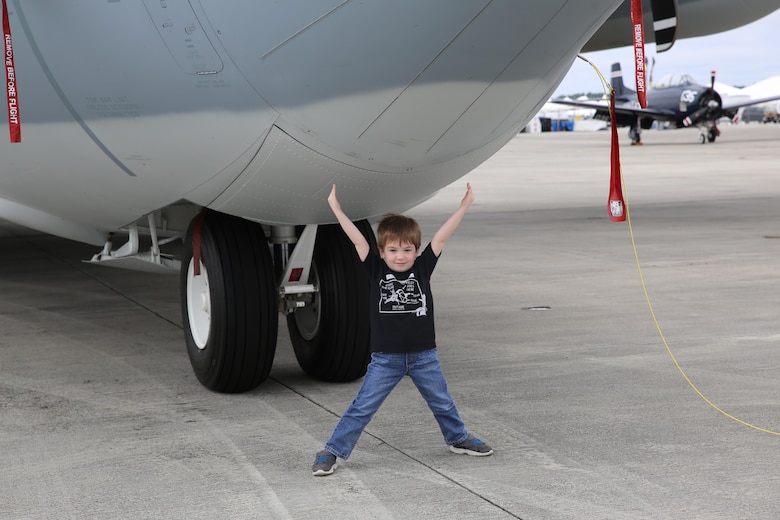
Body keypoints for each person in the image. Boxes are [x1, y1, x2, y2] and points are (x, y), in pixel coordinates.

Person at [312, 183, 493, 477]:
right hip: (386, 359)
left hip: (425, 357)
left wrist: (464, 206)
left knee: (442, 402)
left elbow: (443, 236)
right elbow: (358, 241)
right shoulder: (375, 269)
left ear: (416, 250)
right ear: (382, 252)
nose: (400, 256)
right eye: (393, 250)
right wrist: (337, 210)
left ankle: (458, 438)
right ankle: (331, 450)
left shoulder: (422, 268)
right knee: (362, 408)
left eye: (407, 250)